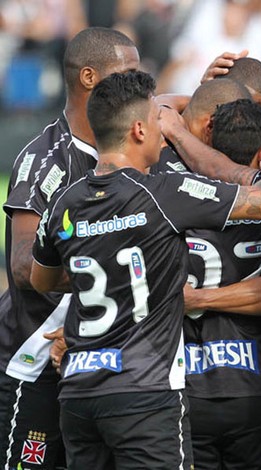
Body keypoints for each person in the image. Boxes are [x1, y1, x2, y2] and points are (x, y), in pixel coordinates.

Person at [29, 70, 261, 470]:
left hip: (79, 393)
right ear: (138, 129)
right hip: (144, 393)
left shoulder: (64, 203)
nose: (163, 131)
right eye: (158, 122)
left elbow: (41, 279)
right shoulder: (162, 193)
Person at [0, 26, 140, 470]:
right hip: (36, 363)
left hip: (102, 365)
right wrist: (110, 279)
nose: (141, 85)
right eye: (129, 73)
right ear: (88, 78)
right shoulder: (47, 160)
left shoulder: (135, 148)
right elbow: (23, 267)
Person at [181, 99, 261, 470]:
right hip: (253, 392)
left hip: (186, 392)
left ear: (208, 143)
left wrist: (198, 298)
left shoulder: (172, 199)